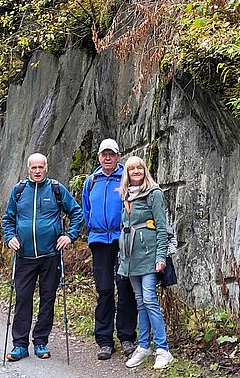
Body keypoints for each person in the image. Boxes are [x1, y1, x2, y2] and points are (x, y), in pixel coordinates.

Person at [2, 152, 83, 362]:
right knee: (22, 299)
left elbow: (76, 213)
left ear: (46, 168)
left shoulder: (56, 189)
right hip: (24, 256)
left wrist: (69, 236)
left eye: (41, 167)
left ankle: (40, 341)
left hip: (51, 255)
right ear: (28, 169)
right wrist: (10, 237)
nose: (37, 171)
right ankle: (19, 345)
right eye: (33, 168)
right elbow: (8, 219)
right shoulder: (19, 191)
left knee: (48, 298)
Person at [82, 138, 138, 360]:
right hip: (99, 241)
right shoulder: (92, 180)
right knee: (104, 290)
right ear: (99, 157)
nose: (107, 158)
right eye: (104, 154)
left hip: (122, 239)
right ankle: (104, 341)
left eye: (111, 154)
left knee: (125, 287)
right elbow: (86, 208)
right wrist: (93, 227)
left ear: (118, 156)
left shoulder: (126, 178)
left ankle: (126, 337)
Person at [118, 156, 174, 370]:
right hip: (130, 257)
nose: (136, 171)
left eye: (139, 168)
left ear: (145, 170)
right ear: (127, 173)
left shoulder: (154, 193)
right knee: (140, 302)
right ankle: (143, 346)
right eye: (131, 169)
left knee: (150, 299)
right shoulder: (126, 196)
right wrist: (122, 258)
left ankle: (163, 349)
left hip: (149, 255)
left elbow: (162, 227)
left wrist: (161, 257)